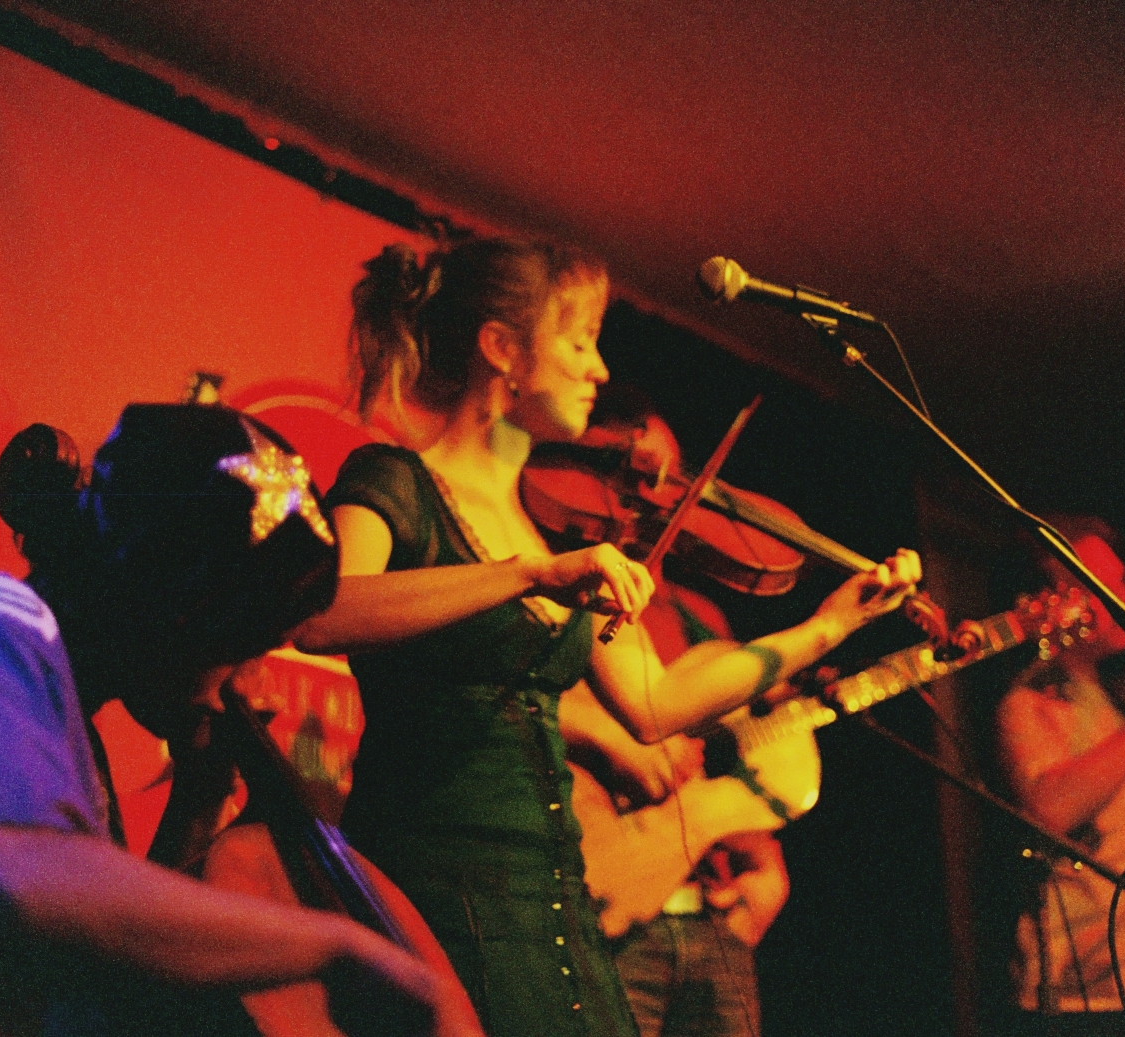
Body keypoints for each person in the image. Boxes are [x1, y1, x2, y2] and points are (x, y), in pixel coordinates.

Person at [291, 237, 922, 1037]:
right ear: (501, 349)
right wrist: (524, 575)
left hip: (551, 885)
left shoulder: (557, 529)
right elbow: (325, 613)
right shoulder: (395, 480)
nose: (597, 369)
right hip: (435, 873)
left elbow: (657, 705)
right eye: (579, 340)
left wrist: (828, 627)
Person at [0, 404, 460, 1037]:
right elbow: (11, 882)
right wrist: (328, 944)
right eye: (241, 648)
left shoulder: (64, 713)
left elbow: (94, 970)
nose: (251, 684)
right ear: (168, 608)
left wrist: (196, 803)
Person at [555, 393, 787, 1037]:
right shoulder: (565, 589)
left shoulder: (699, 618)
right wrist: (611, 736)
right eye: (639, 478)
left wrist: (767, 864)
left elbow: (727, 755)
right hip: (604, 910)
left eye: (673, 481)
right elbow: (522, 704)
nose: (659, 502)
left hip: (712, 918)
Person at [995, 517, 1125, 1036]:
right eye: (1104, 586)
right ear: (1056, 602)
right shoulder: (1029, 701)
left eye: (1122, 582)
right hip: (1075, 1000)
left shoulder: (1114, 702)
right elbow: (1051, 809)